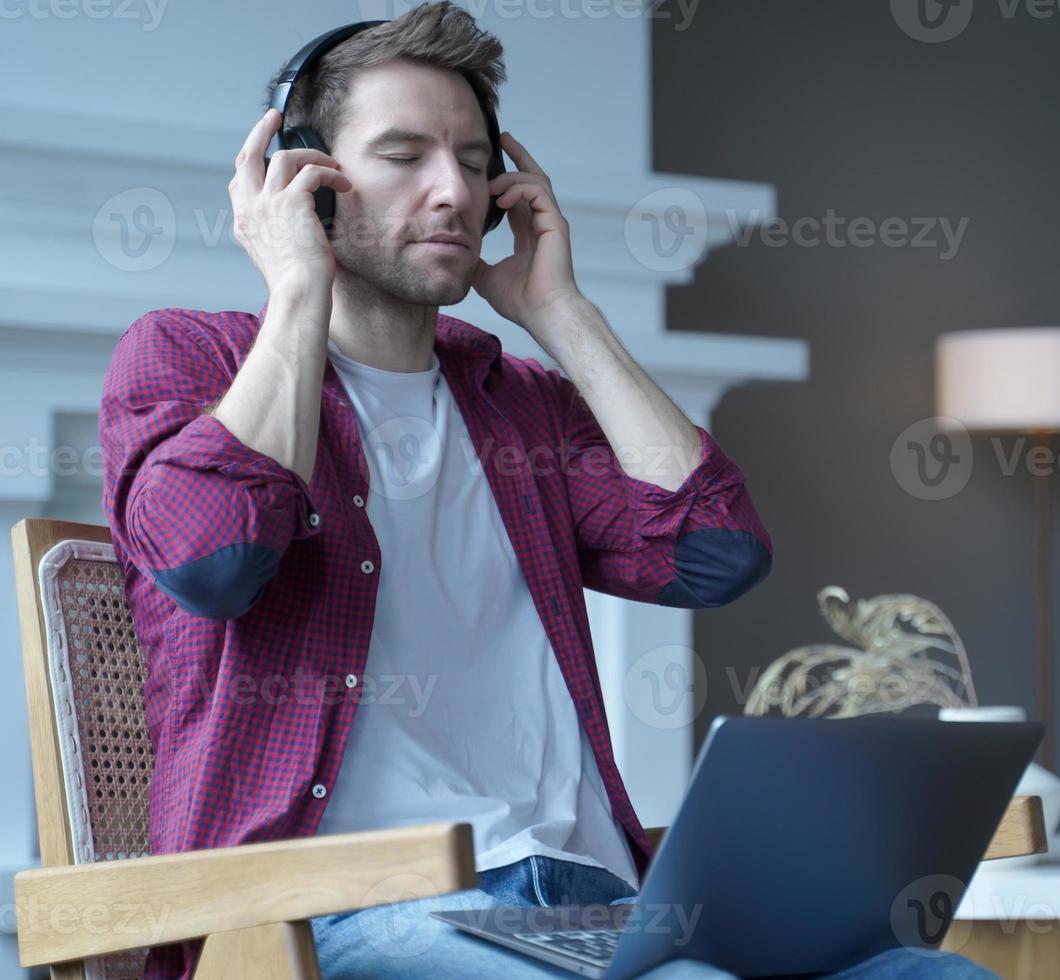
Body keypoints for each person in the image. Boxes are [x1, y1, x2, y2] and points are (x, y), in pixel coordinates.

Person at [97, 5, 996, 978]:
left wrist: (559, 313)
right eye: (403, 155)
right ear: (301, 178)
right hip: (345, 914)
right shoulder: (192, 357)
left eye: (475, 161)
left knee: (941, 972)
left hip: (592, 900)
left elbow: (716, 548)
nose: (453, 190)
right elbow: (214, 560)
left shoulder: (519, 404)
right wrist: (298, 289)